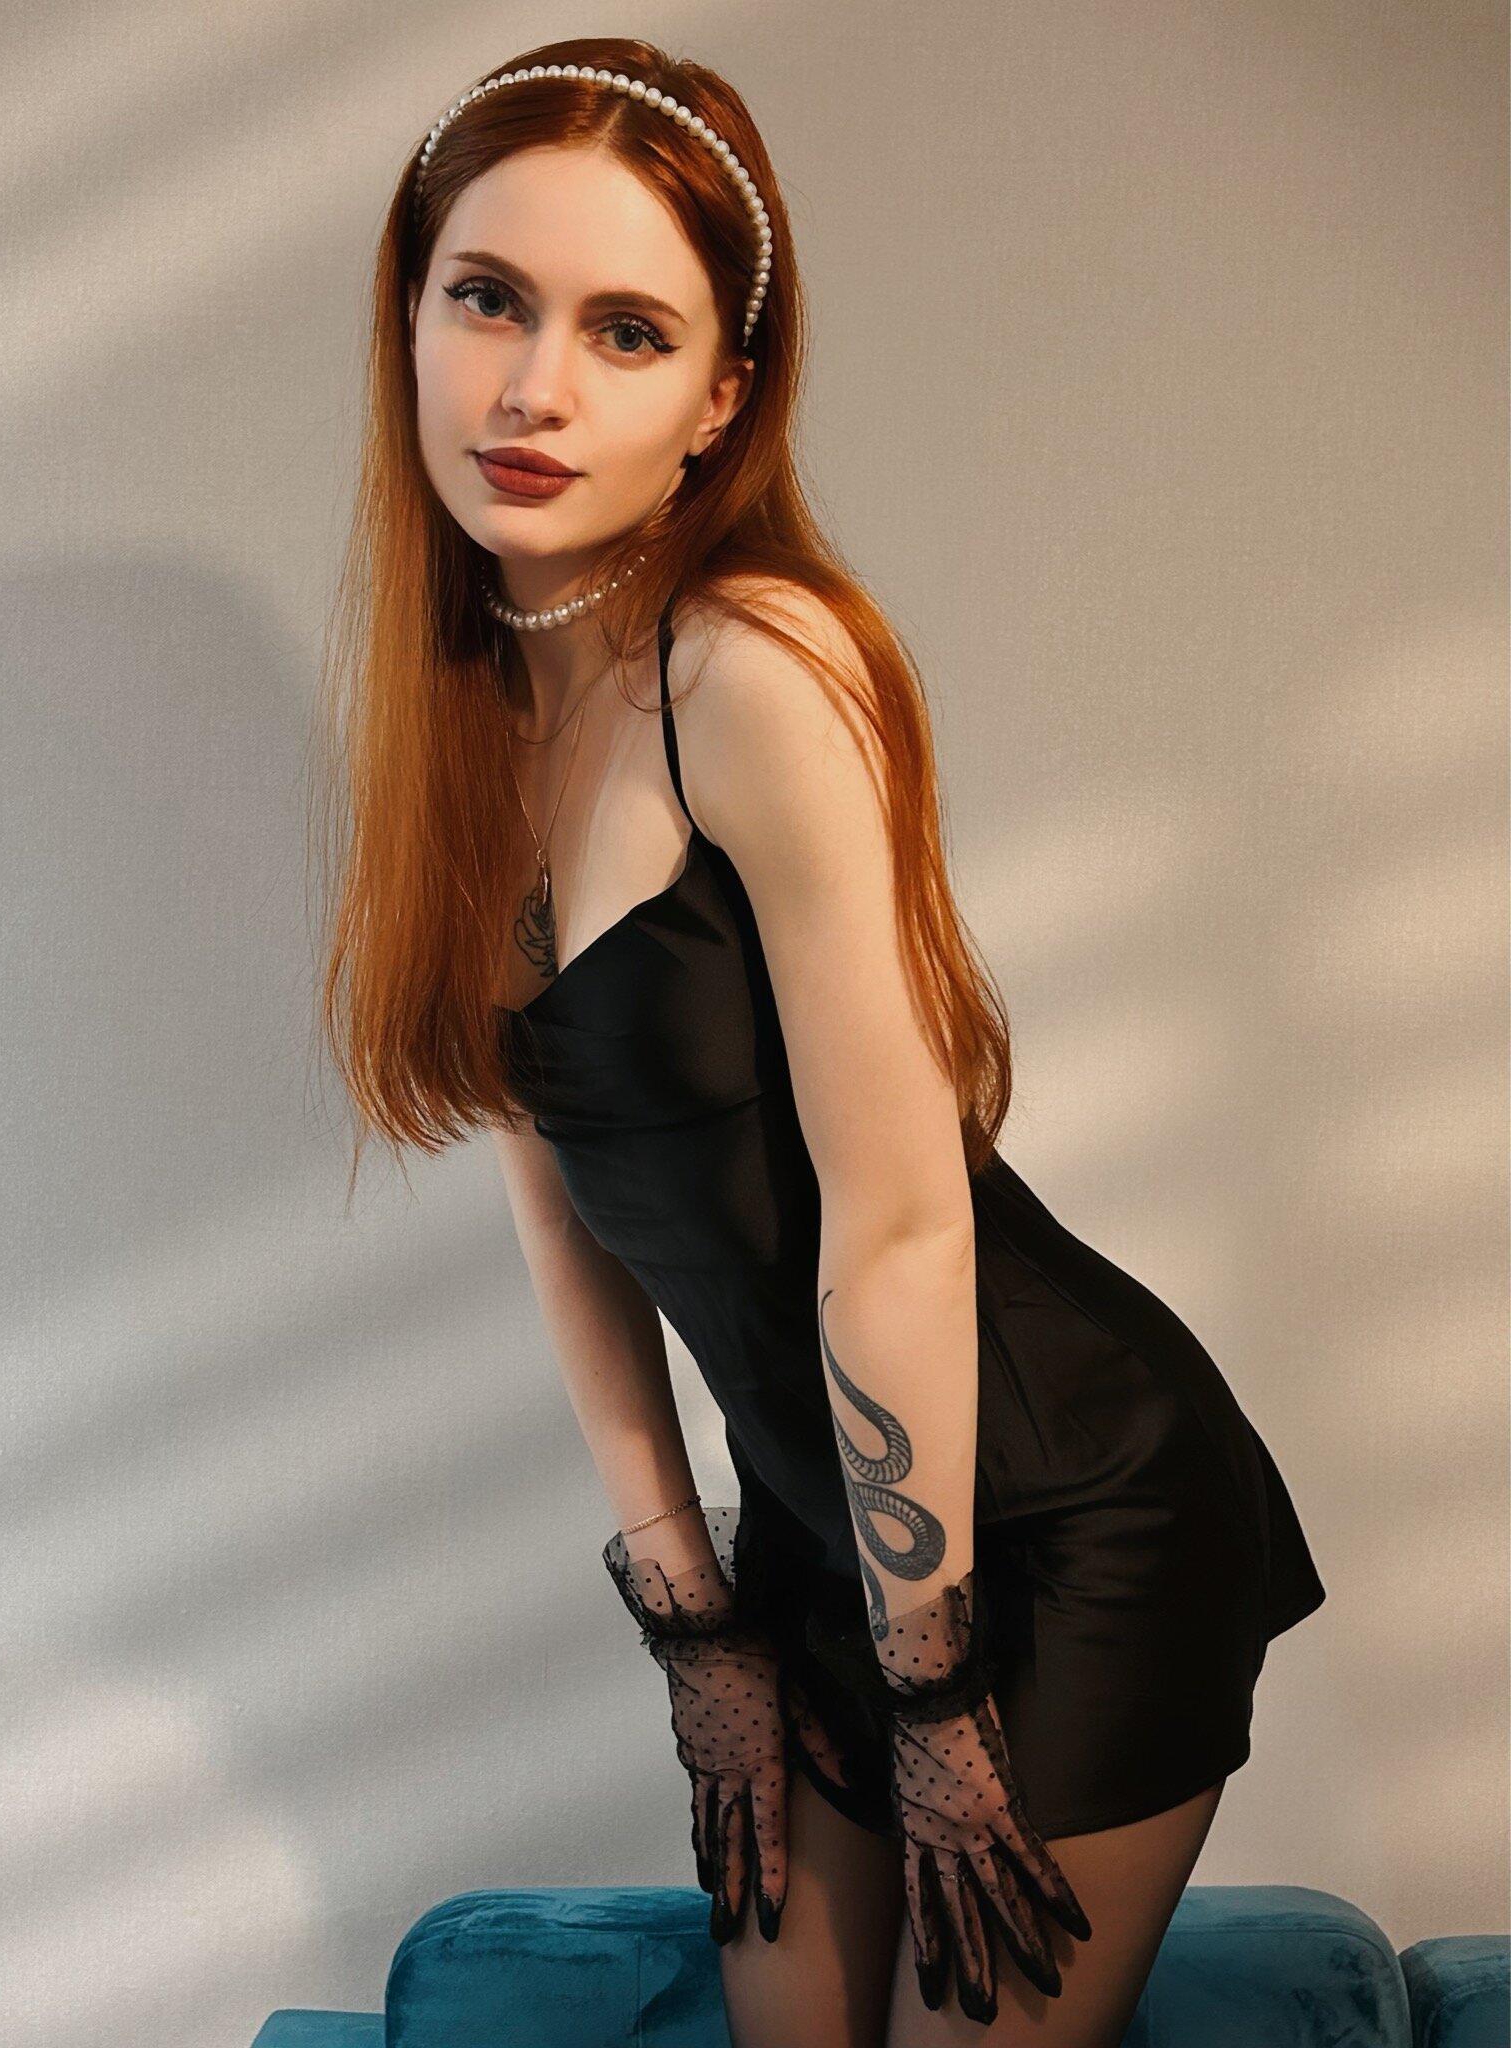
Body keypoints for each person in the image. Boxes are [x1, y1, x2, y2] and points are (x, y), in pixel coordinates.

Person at [314, 34, 1327, 2048]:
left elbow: (902, 1222)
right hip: (814, 1529)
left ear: (719, 400)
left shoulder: (752, 672)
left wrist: (934, 1690)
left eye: (625, 330)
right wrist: (694, 1619)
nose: (533, 387)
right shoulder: (476, 717)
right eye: (489, 298)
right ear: (409, 314)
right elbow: (566, 1211)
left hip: (1069, 1517)